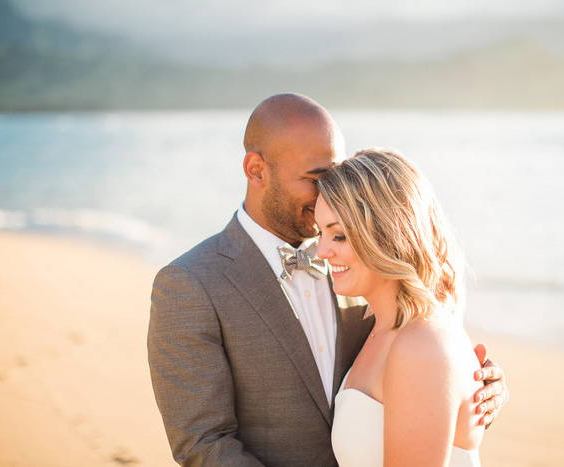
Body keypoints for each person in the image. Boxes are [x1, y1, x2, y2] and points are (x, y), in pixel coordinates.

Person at [147, 93, 507, 466]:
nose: (330, 192)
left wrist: (472, 390)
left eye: (334, 176)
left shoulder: (362, 269)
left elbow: (421, 367)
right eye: (316, 178)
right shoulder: (190, 285)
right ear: (256, 170)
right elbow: (204, 443)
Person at [317, 148, 485, 466]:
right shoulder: (377, 328)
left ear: (386, 234)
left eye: (338, 235)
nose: (321, 251)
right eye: (319, 232)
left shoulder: (422, 343)